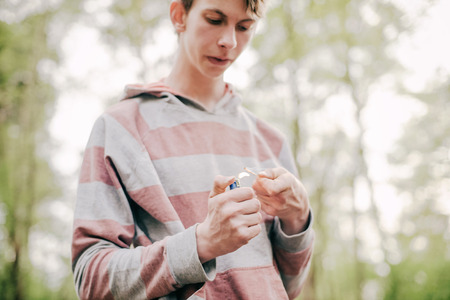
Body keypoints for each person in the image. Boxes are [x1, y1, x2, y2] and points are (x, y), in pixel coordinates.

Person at [71, 0, 314, 299]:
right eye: (214, 19)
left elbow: (288, 288)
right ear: (179, 15)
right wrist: (201, 244)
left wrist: (298, 218)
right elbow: (90, 279)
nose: (229, 41)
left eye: (244, 26)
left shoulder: (271, 141)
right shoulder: (122, 127)